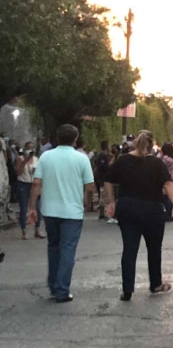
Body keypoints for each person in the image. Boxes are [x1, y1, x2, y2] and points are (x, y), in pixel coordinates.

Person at [104, 130, 173, 301]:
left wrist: (112, 202)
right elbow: (167, 183)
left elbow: (108, 179)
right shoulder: (157, 163)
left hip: (127, 208)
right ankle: (155, 283)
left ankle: (127, 289)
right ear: (153, 145)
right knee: (154, 248)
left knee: (129, 249)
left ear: (135, 143)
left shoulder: (123, 160)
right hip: (152, 209)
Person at [28, 124, 94, 303]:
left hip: (50, 210)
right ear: (75, 139)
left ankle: (53, 285)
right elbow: (89, 186)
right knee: (68, 250)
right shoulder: (81, 159)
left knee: (53, 247)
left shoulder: (46, 157)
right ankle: (62, 289)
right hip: (72, 211)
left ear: (57, 138)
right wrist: (88, 203)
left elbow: (36, 183)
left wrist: (32, 207)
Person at [15, 142, 44, 240]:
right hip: (23, 184)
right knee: (24, 208)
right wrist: (25, 161)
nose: (30, 150)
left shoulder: (37, 160)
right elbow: (18, 172)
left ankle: (37, 229)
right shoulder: (20, 159)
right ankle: (24, 230)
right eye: (28, 148)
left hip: (34, 185)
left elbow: (41, 174)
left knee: (38, 208)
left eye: (32, 148)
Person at [94, 141, 110, 220]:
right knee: (103, 195)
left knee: (102, 194)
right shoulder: (103, 155)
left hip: (99, 176)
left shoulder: (98, 155)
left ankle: (102, 213)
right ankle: (102, 213)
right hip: (103, 177)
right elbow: (104, 167)